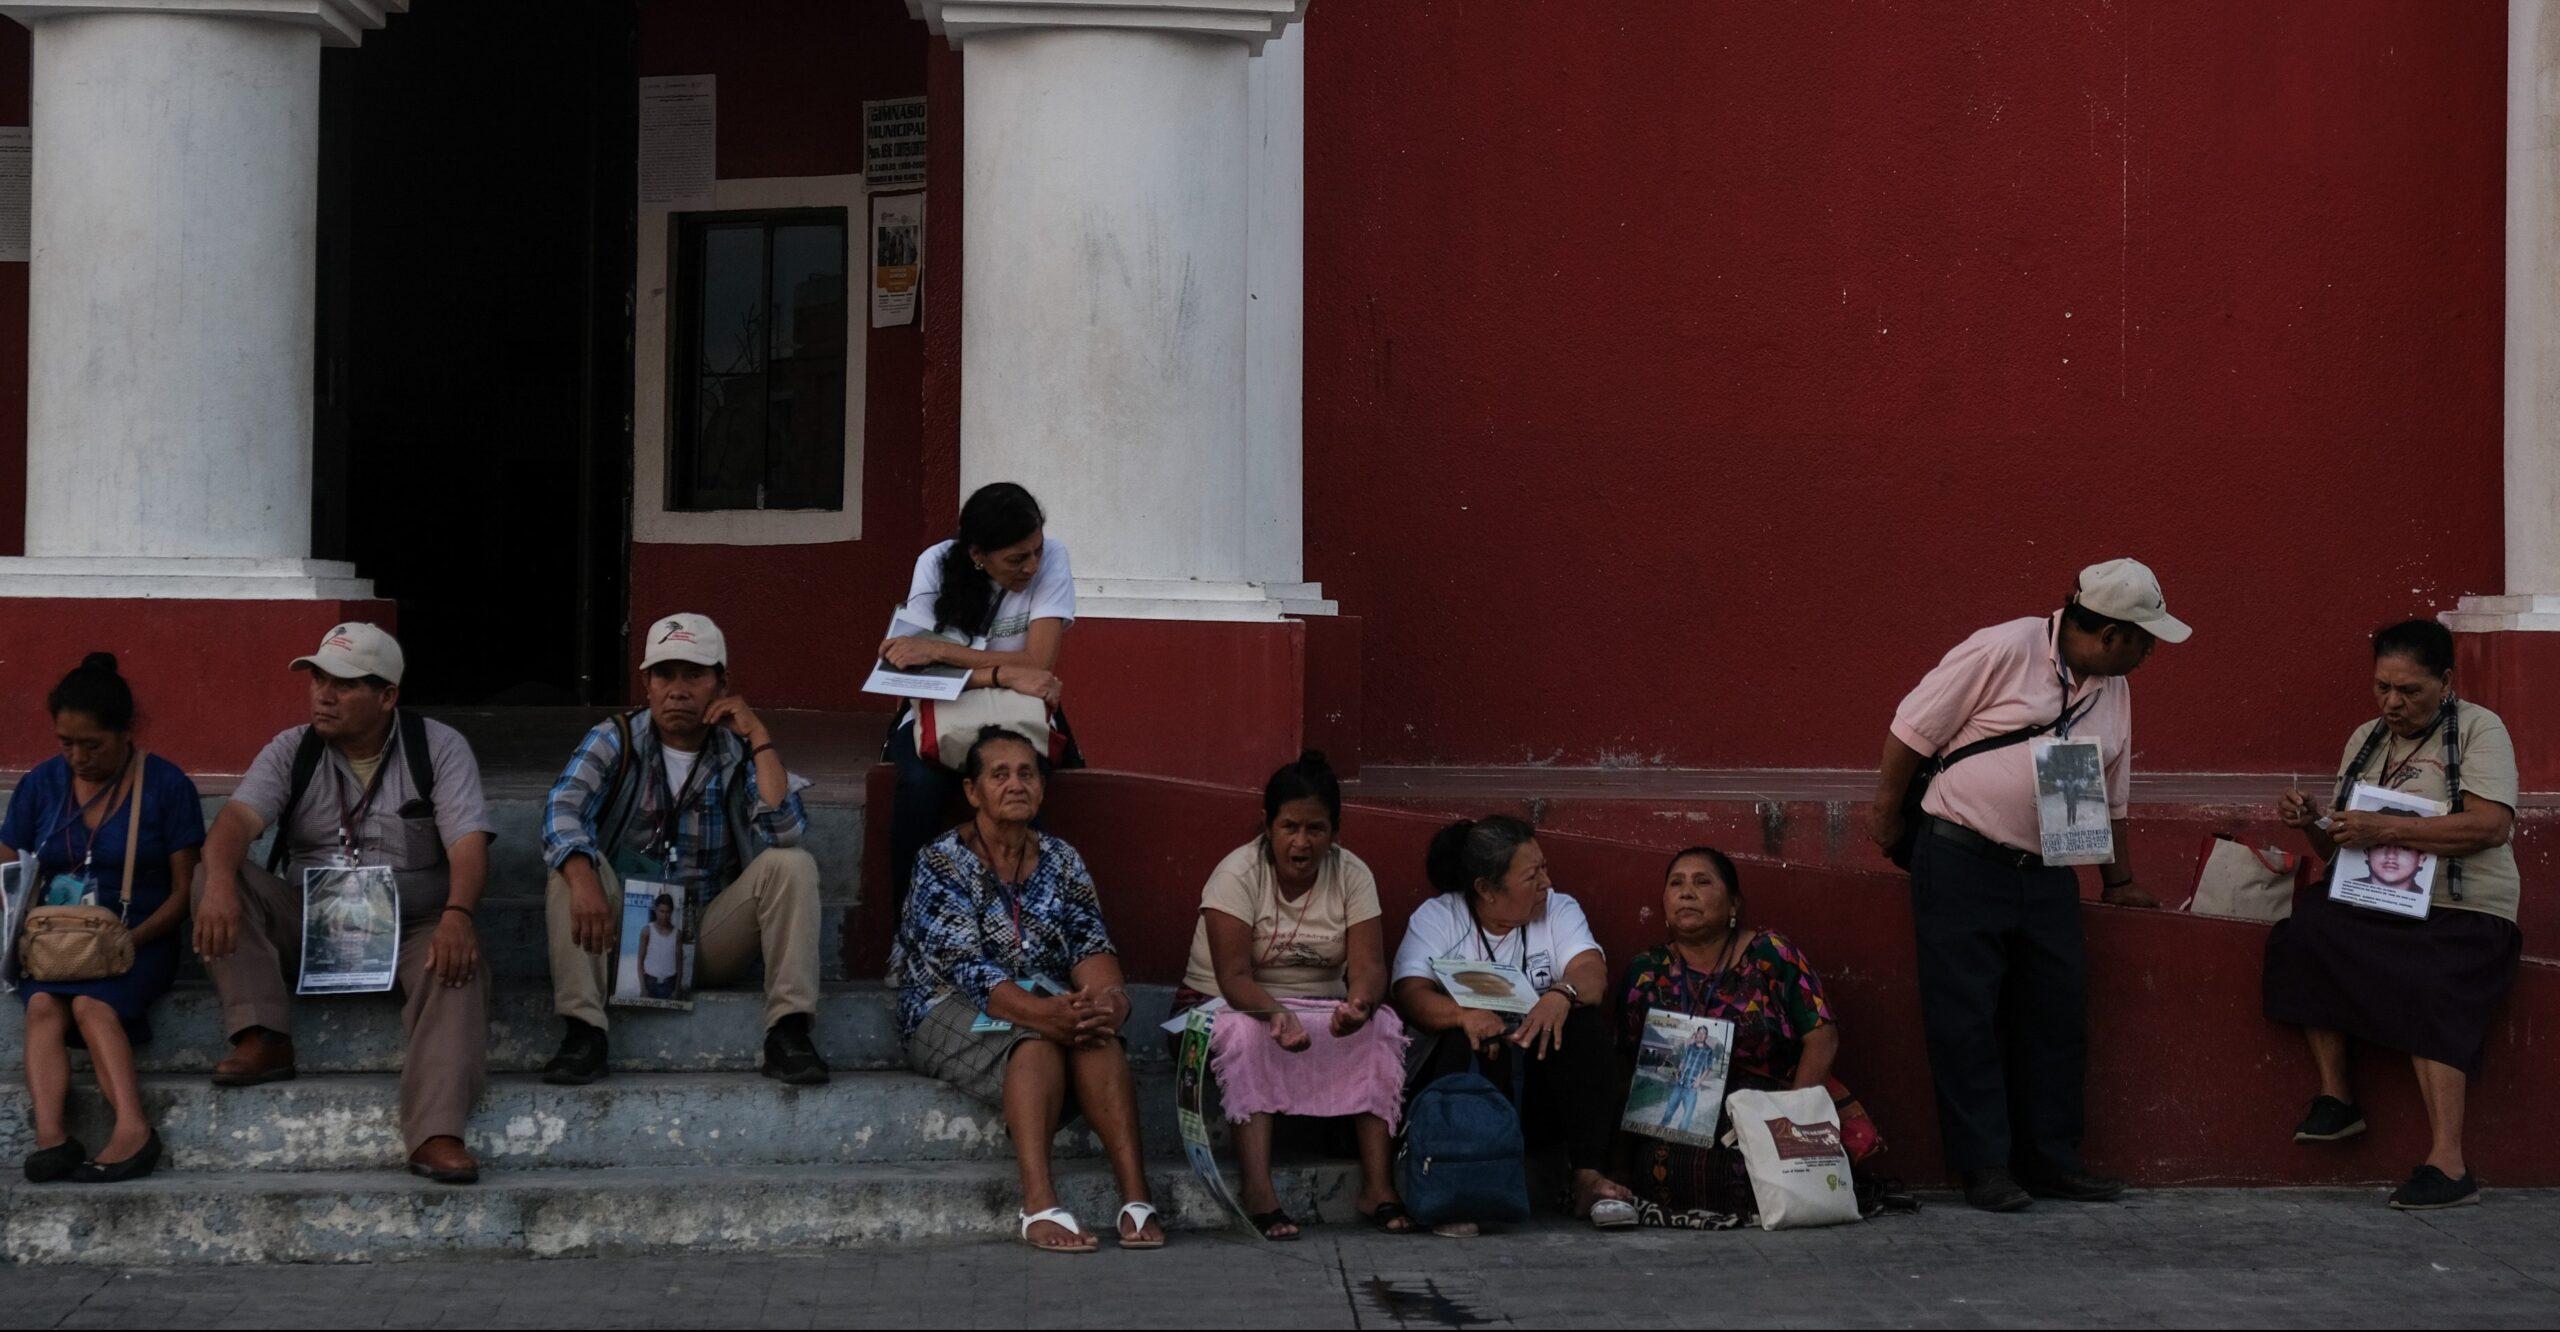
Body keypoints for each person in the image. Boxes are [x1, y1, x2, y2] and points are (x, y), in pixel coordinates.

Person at [1864, 558, 2189, 1212]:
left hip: (2048, 872)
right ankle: (1984, 1167)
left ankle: (2051, 1160)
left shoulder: (2114, 689)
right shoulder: (2004, 648)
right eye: (2146, 639)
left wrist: (2119, 880)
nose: (2152, 652)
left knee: (2056, 1017)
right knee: (1966, 1019)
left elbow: (2110, 793)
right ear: (2112, 634)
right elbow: (1911, 729)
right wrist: (1884, 814)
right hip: (1961, 855)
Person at [191, 623, 496, 1185]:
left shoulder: (438, 746)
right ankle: (264, 1036)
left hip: (412, 923)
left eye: (345, 684)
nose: (323, 695)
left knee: (456, 967)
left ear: (387, 697)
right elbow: (235, 823)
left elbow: (468, 844)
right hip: (311, 920)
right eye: (318, 679)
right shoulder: (292, 748)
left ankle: (436, 1132)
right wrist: (216, 884)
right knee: (213, 873)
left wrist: (458, 916)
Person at [2266, 618, 2524, 1211]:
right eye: (2383, 687)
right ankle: (2337, 1101)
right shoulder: (2366, 738)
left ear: (2447, 682)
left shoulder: (2482, 729)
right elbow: (2340, 848)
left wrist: (2386, 827)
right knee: (2305, 932)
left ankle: (2449, 1164)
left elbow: (2491, 826)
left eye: (2410, 691)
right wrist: (2312, 822)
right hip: (2381, 900)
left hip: (2462, 907)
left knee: (2434, 980)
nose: (2393, 703)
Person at [888, 726, 1164, 1254]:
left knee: (1097, 1035)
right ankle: (1038, 1204)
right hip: (946, 1006)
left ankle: (1136, 1195)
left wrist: (1108, 1002)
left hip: (1045, 1000)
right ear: (972, 791)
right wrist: (1044, 1014)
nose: (1016, 784)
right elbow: (967, 968)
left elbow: (1090, 943)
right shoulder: (940, 862)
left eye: (1027, 774)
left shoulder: (1062, 859)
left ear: (1041, 787)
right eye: (999, 774)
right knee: (1035, 1042)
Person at [538, 614, 826, 1086]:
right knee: (569, 869)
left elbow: (785, 829)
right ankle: (583, 1034)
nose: (678, 689)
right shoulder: (618, 737)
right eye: (664, 674)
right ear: (646, 684)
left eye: (694, 675)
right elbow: (561, 810)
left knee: (791, 865)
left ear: (721, 684)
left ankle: (789, 1033)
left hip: (707, 933)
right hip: (617, 931)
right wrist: (583, 874)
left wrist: (757, 736)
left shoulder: (736, 749)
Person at [1173, 751, 1411, 1239]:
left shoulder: (1352, 875)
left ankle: (1378, 1188)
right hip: (1220, 1005)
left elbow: (1368, 966)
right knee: (1247, 1031)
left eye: (1316, 829)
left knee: (1382, 1024)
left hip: (1319, 1008)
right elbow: (1235, 976)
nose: (1301, 843)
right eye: (1289, 827)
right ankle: (1259, 1192)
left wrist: (1360, 1004)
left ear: (1335, 832)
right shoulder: (1236, 874)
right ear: (1267, 825)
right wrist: (1275, 1013)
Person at [1611, 847, 1888, 1225]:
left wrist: (1791, 1125)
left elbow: (1822, 1036)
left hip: (1767, 1109)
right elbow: (1627, 1062)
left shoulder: (1772, 954)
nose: (1686, 892)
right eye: (1676, 883)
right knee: (1663, 1164)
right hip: (1681, 1114)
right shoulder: (1647, 971)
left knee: (1750, 1163)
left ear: (1733, 904)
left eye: (1702, 881)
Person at [8, 654, 206, 1183]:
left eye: (91, 745)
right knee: (44, 1005)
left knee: (95, 1004)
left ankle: (132, 1129)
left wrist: (128, 940)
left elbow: (187, 889)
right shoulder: (41, 785)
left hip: (138, 937)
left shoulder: (165, 785)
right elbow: (7, 871)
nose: (77, 757)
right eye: (65, 743)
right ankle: (52, 1136)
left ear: (125, 735)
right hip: (56, 944)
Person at [1391, 815, 1638, 1235]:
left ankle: (1586, 1178)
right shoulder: (1439, 917)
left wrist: (1561, 995)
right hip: (1467, 1080)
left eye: (1544, 866)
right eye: (1531, 875)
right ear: (1486, 890)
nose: (1545, 881)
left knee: (1585, 1025)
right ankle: (1456, 1180)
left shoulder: (1557, 907)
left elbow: (1591, 973)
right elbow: (1411, 994)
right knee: (1457, 1034)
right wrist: (1462, 1015)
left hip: (1536, 1089)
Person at [880, 482, 1074, 904]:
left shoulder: (1054, 558)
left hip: (1017, 713)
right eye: (1016, 559)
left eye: (1036, 551)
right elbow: (915, 669)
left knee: (1021, 789)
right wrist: (1003, 673)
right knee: (918, 787)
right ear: (977, 556)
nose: (1033, 566)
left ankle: (1027, 929)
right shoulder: (933, 563)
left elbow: (1039, 663)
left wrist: (940, 651)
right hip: (941, 710)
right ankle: (907, 932)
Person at [640, 894, 682, 1000]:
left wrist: (676, 990)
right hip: (650, 983)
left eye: (667, 912)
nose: (664, 915)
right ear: (655, 910)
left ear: (671, 912)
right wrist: (643, 989)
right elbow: (640, 962)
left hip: (669, 984)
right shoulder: (647, 931)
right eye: (661, 911)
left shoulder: (677, 934)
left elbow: (679, 964)